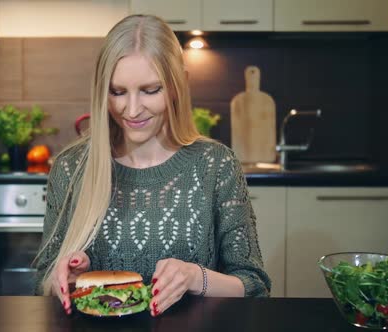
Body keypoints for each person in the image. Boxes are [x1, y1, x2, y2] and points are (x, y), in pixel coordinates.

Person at [32, 14, 271, 316]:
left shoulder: (216, 165)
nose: (131, 110)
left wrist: (196, 277)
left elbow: (254, 285)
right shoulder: (71, 167)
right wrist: (69, 280)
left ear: (177, 85)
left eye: (150, 90)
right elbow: (42, 282)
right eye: (117, 92)